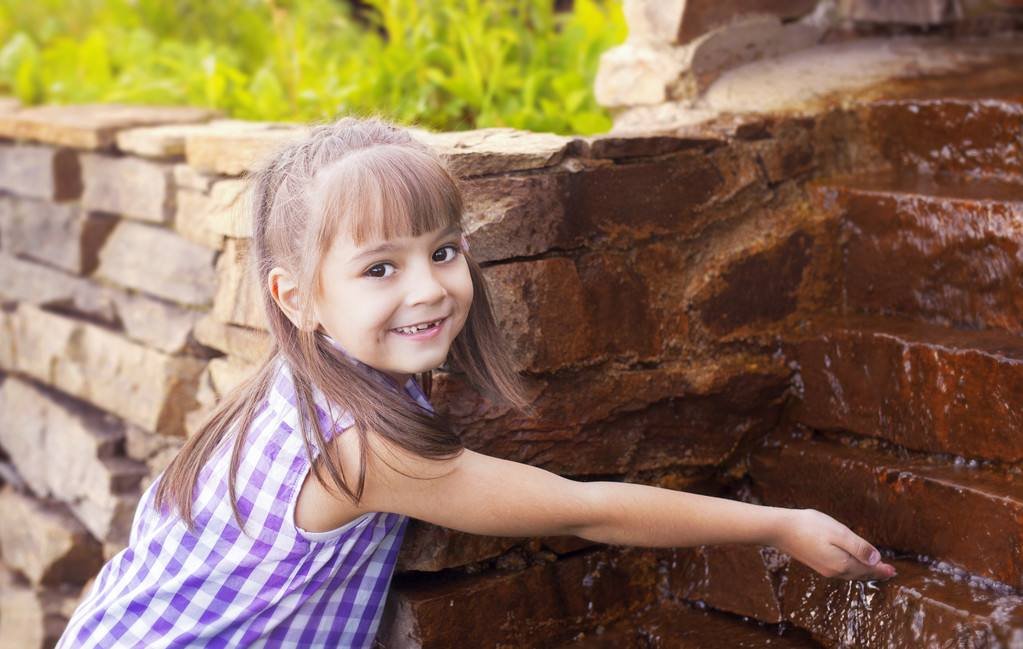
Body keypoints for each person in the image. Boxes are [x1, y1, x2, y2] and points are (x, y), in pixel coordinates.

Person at [57, 115, 896, 648]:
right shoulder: (358, 448)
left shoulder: (305, 375)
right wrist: (777, 523)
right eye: (380, 267)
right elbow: (583, 508)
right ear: (296, 297)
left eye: (443, 250)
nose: (426, 288)